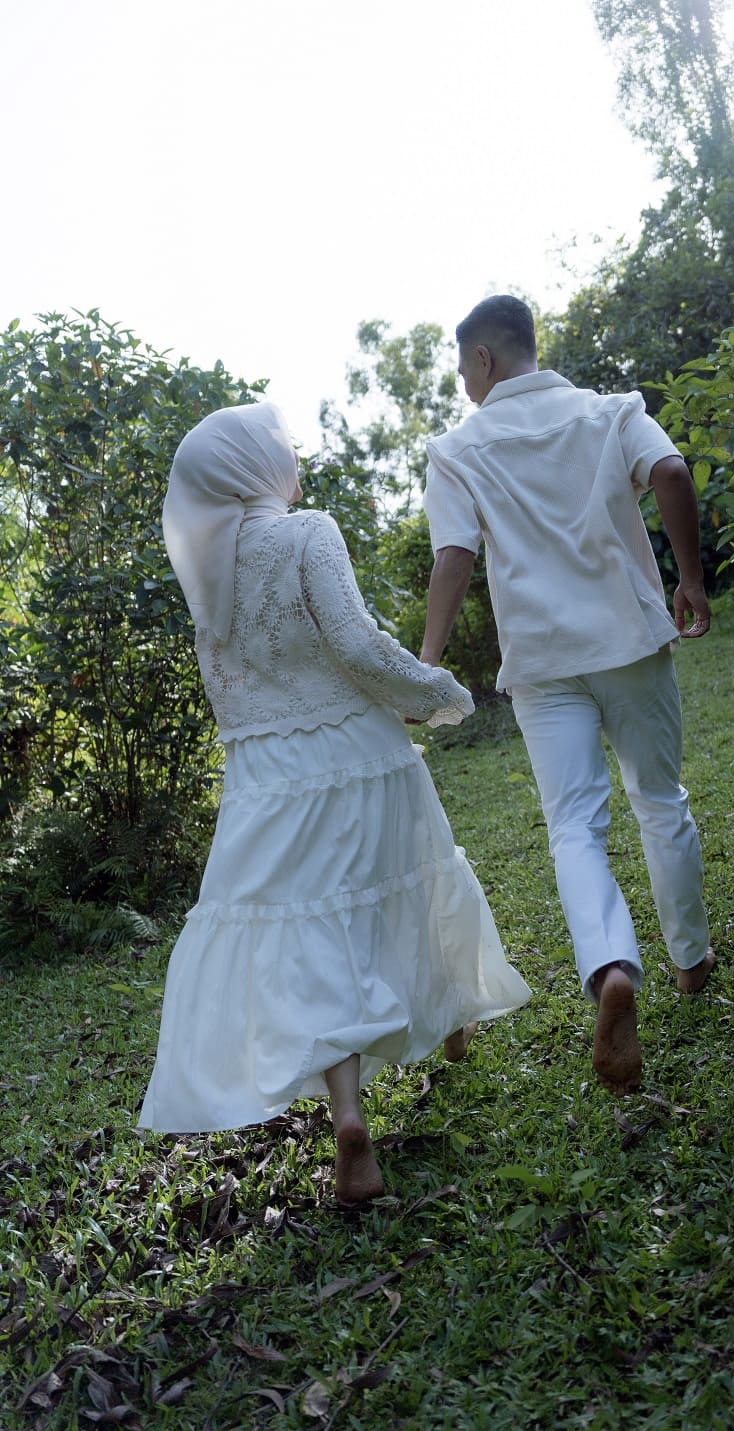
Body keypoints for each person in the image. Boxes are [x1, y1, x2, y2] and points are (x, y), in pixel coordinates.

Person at [138, 401, 529, 1204]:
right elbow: (355, 643)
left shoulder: (206, 566)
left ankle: (349, 1114)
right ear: (257, 465)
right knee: (410, 883)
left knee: (312, 936)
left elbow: (227, 688)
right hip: (356, 752)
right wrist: (435, 691)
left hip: (264, 773)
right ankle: (452, 1019)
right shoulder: (307, 532)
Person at [419, 295, 713, 1098]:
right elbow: (671, 472)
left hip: (543, 665)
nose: (464, 384)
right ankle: (690, 961)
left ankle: (612, 967)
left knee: (574, 827)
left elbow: (453, 556)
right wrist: (688, 579)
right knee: (660, 799)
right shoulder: (609, 412)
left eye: (463, 369)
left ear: (483, 359)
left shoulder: (457, 451)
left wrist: (429, 663)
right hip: (630, 641)